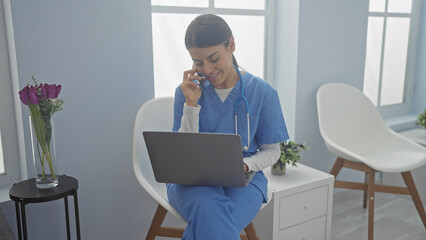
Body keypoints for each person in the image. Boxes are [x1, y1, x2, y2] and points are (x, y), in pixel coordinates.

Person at [167, 14, 289, 239]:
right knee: (212, 212)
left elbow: (273, 151)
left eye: (214, 58)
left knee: (211, 224)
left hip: (245, 180)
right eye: (198, 62)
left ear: (231, 45)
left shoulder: (263, 93)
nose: (207, 69)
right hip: (192, 185)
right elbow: (181, 151)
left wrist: (243, 164)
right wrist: (191, 105)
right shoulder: (185, 92)